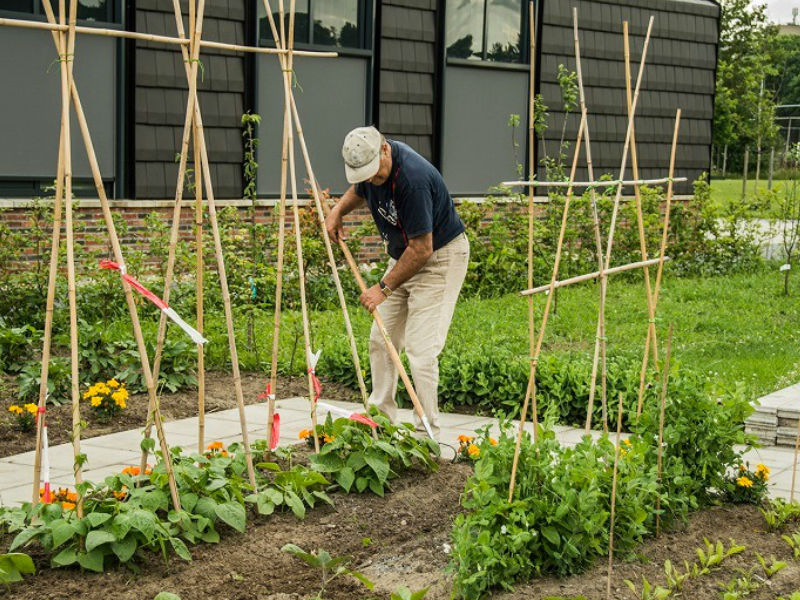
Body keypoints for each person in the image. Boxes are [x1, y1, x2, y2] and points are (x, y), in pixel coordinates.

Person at [325, 126, 469, 437]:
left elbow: (423, 249)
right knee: (381, 339)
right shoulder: (371, 171)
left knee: (420, 349)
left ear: (385, 150)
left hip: (439, 260)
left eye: (375, 174)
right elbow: (360, 191)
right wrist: (337, 211)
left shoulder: (413, 180)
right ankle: (380, 420)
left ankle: (426, 430)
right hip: (405, 256)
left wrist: (383, 288)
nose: (372, 180)